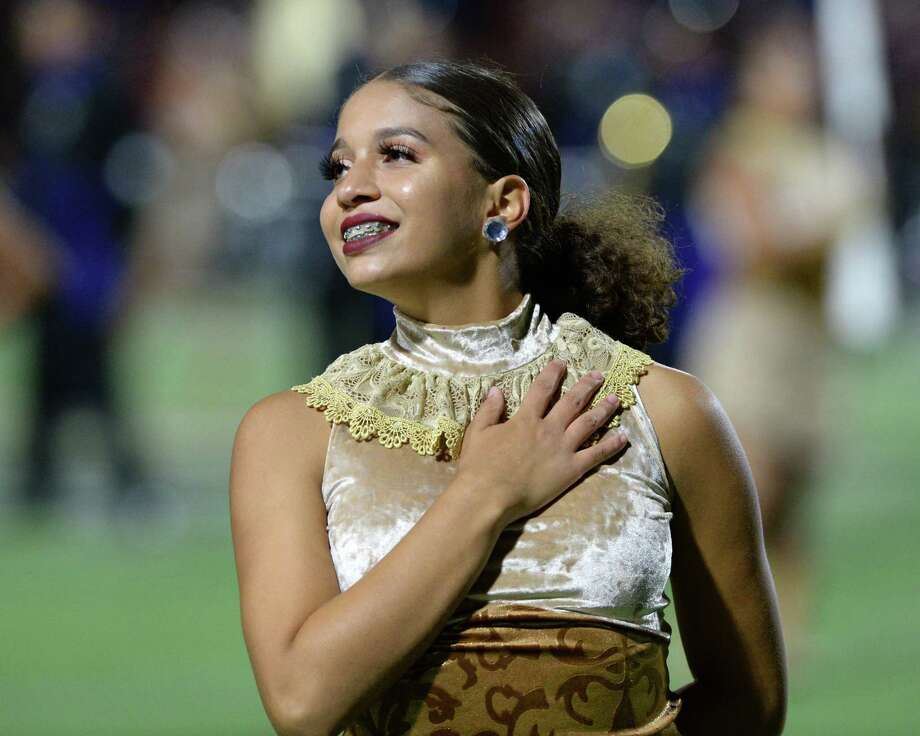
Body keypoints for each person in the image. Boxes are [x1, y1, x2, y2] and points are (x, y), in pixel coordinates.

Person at [229, 60, 786, 736]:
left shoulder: (662, 412)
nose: (351, 190)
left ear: (504, 203)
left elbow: (749, 704)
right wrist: (486, 493)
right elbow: (301, 701)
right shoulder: (291, 433)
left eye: (396, 155)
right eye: (338, 168)